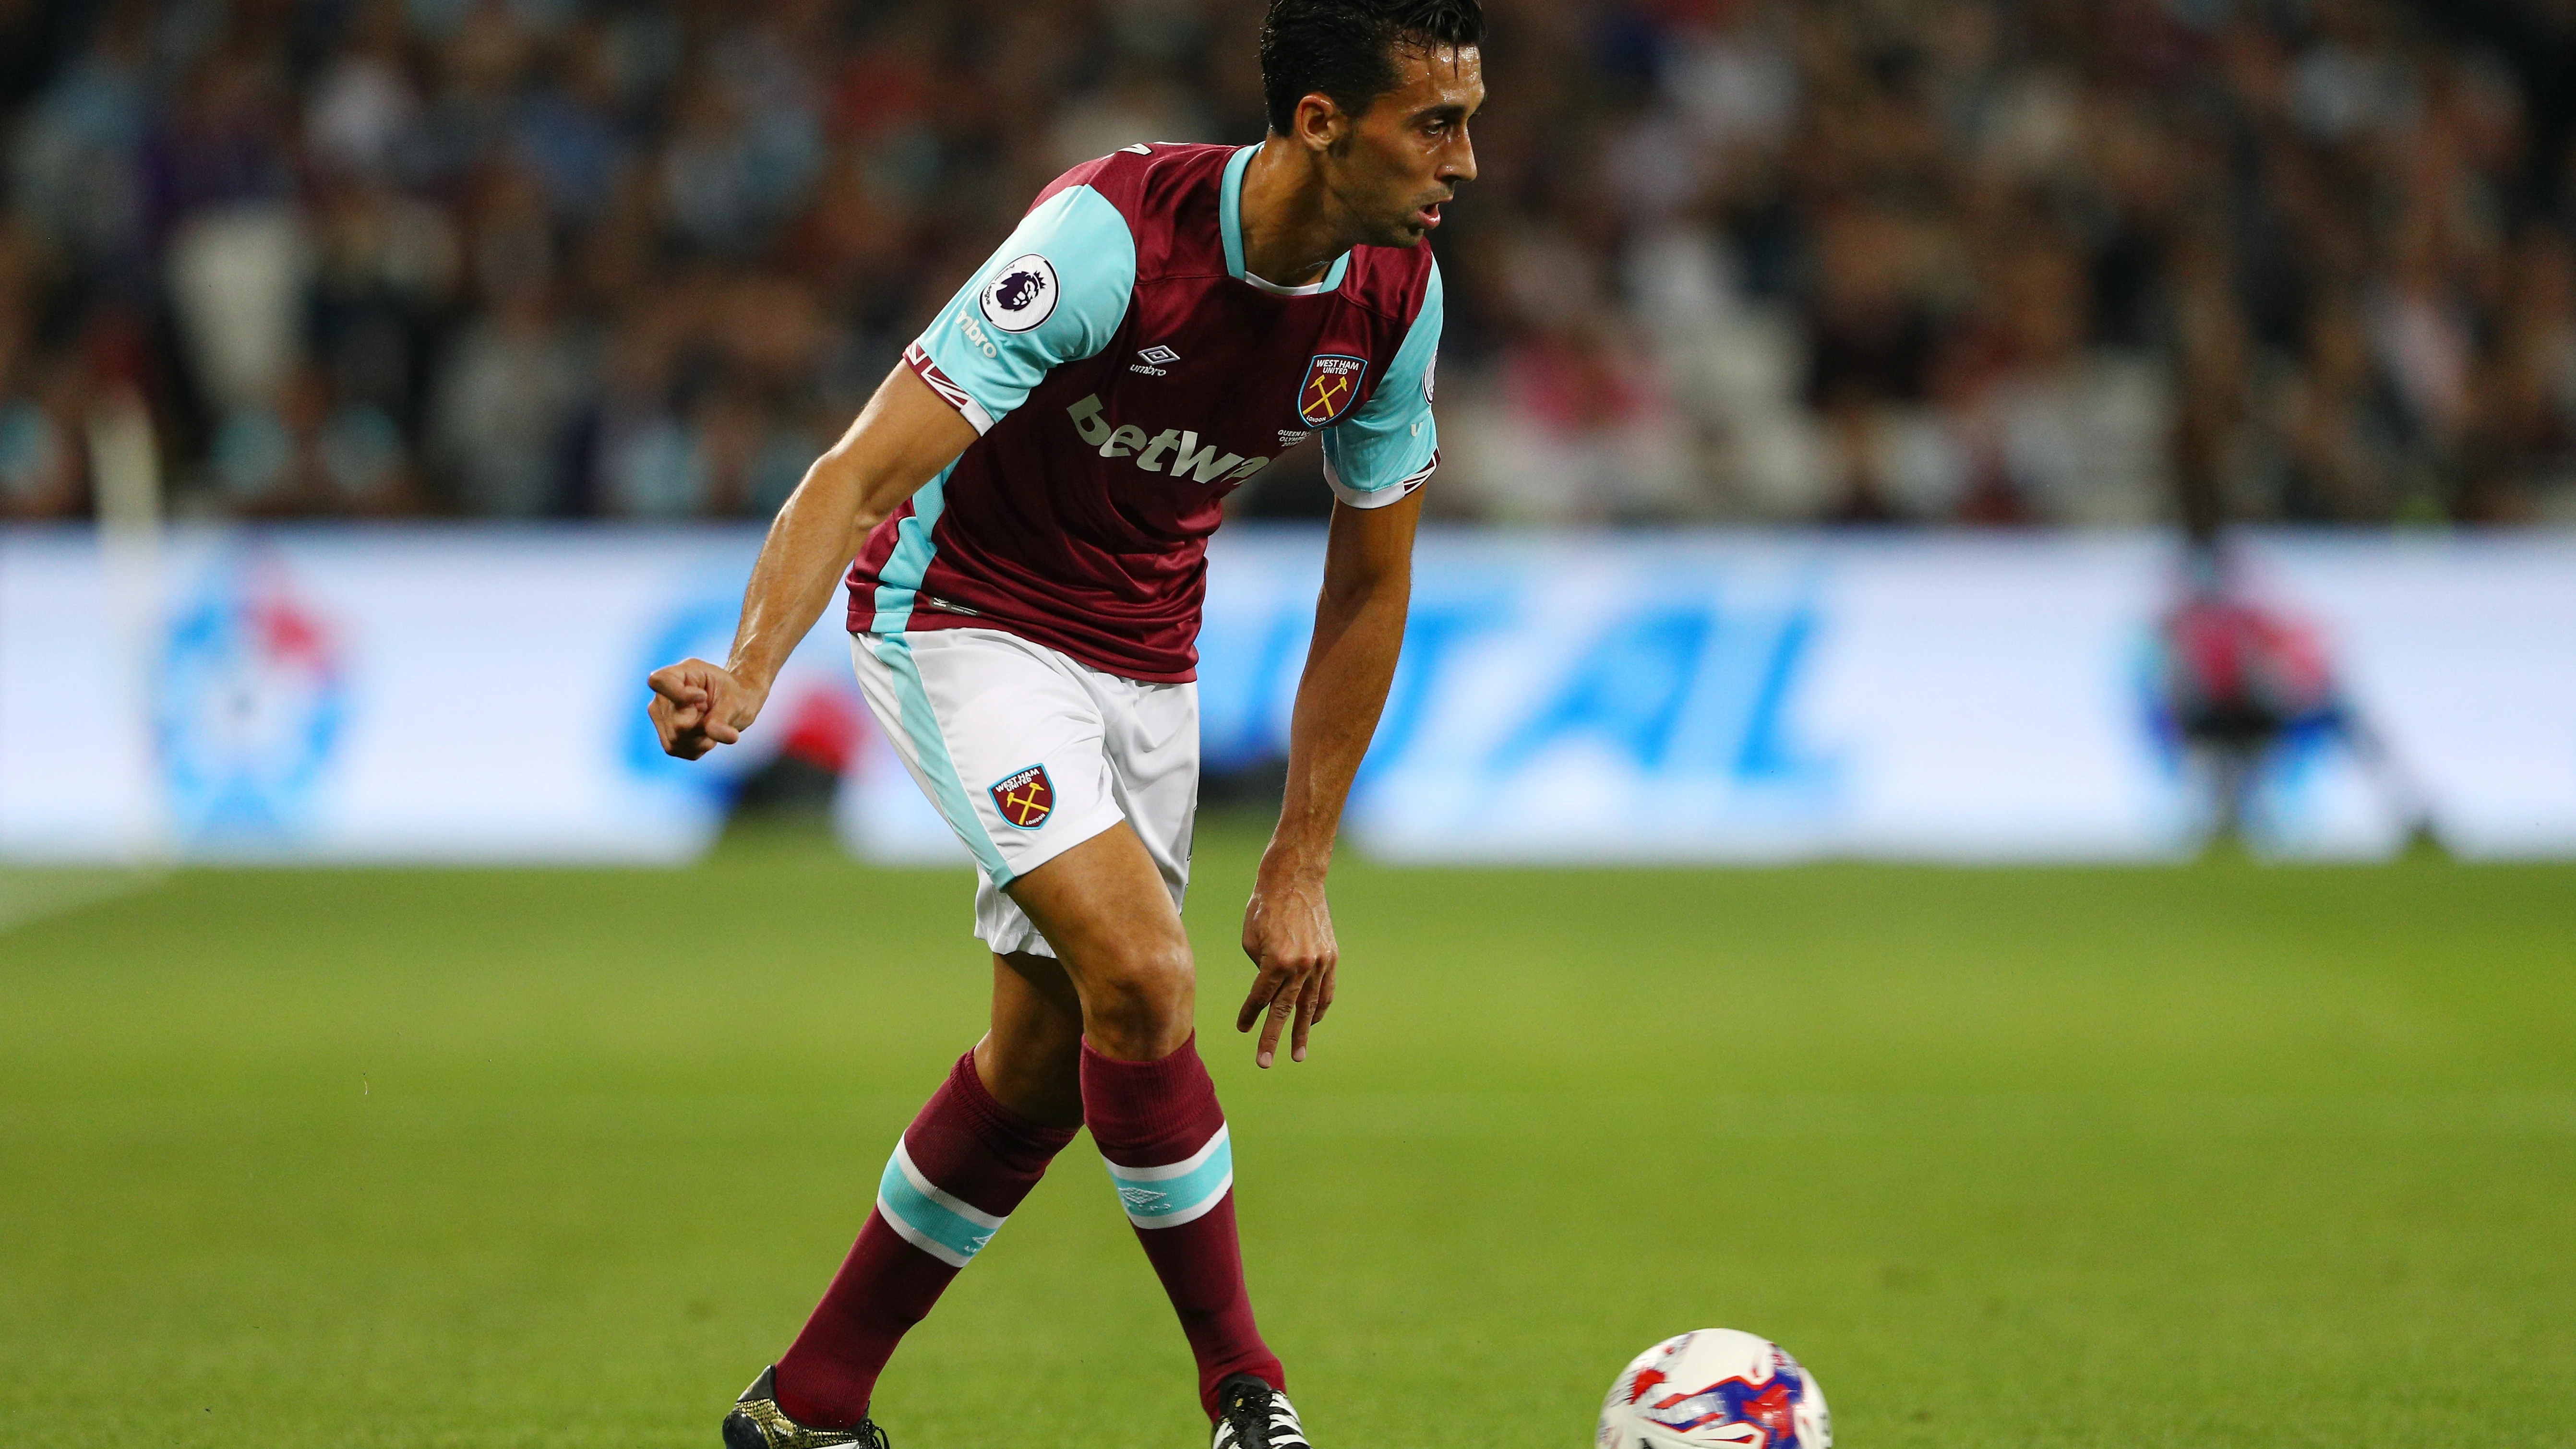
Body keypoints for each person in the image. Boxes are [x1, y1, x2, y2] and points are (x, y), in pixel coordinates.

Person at [643, 4, 1484, 1446]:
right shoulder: (1110, 236)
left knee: (1040, 1066)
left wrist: (1298, 862)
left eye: (1467, 121)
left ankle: (807, 1405)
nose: (1464, 161)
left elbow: (1370, 586)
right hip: (964, 619)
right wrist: (749, 670)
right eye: (1436, 122)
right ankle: (1246, 1394)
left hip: (1148, 660)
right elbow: (853, 474)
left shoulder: (1395, 295)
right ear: (1321, 122)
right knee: (1146, 977)